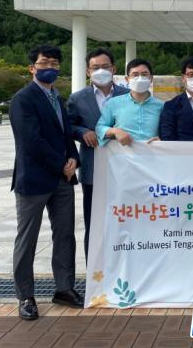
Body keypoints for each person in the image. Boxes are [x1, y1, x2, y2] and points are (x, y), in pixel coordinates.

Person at [9, 45, 83, 321]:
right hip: (34, 179)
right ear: (32, 68)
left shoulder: (56, 97)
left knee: (64, 235)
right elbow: (31, 141)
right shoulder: (23, 99)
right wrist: (61, 163)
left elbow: (65, 134)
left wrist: (73, 158)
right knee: (27, 239)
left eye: (54, 62)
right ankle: (25, 296)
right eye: (44, 62)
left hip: (63, 179)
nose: (49, 67)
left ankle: (64, 288)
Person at [67, 48, 128, 259]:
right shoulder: (77, 99)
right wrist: (82, 132)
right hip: (93, 168)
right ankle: (94, 270)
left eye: (105, 66)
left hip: (125, 170)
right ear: (88, 71)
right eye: (95, 67)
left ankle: (124, 267)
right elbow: (69, 126)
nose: (100, 71)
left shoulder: (128, 95)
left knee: (125, 221)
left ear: (114, 69)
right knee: (94, 223)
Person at [96, 58, 164, 145]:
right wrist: (115, 131)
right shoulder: (114, 103)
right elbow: (99, 128)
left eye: (144, 74)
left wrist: (163, 139)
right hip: (123, 152)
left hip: (153, 152)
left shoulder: (162, 106)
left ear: (151, 78)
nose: (140, 78)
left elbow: (169, 131)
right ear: (127, 79)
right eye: (135, 75)